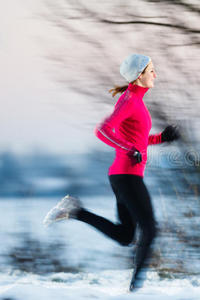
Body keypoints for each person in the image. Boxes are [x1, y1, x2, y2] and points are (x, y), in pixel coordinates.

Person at [43, 53, 180, 292]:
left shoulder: (135, 100)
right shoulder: (129, 100)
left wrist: (161, 138)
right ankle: (136, 289)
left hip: (123, 176)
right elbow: (102, 130)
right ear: (139, 76)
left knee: (126, 236)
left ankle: (76, 212)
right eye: (151, 70)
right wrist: (128, 149)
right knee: (150, 228)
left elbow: (137, 140)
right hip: (127, 176)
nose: (155, 74)